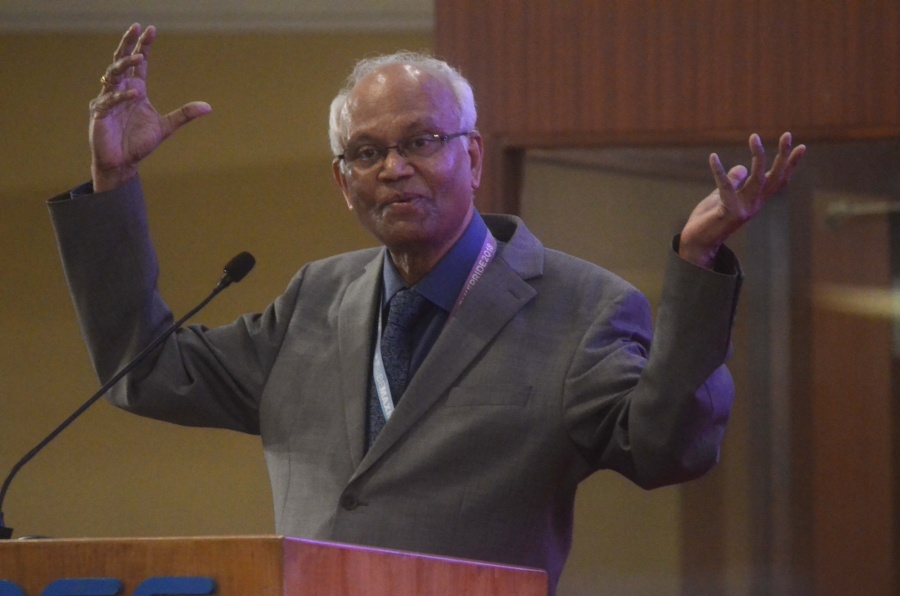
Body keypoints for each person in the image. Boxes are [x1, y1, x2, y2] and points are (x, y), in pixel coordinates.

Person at [49, 23, 804, 594]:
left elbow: (672, 449)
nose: (395, 168)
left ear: (472, 159)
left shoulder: (581, 306)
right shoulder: (315, 298)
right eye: (368, 153)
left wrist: (697, 266)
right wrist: (113, 182)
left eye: (422, 140)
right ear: (345, 185)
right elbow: (144, 373)